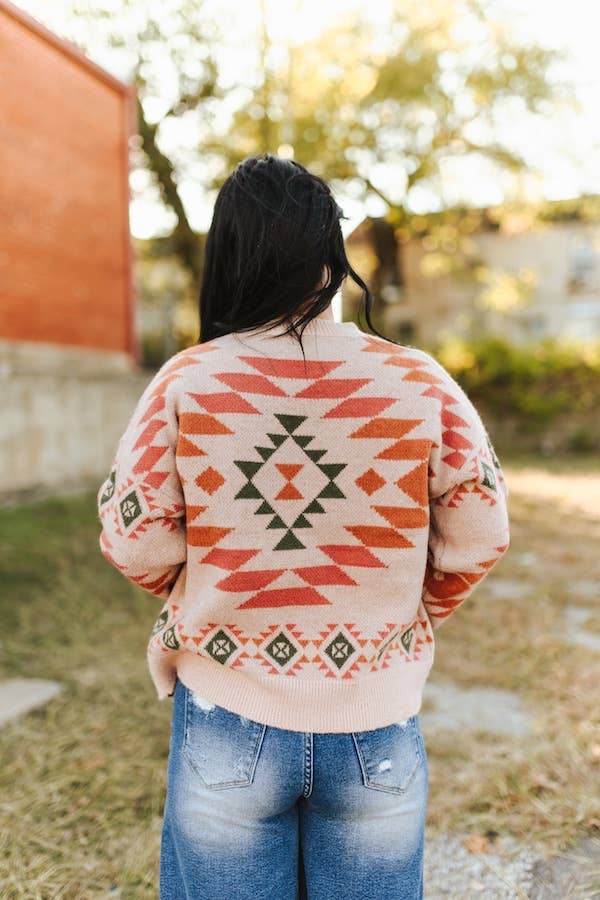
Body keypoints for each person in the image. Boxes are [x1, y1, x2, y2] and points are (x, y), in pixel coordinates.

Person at [97, 153, 510, 899]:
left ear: (230, 255)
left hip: (226, 716)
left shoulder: (188, 381)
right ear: (331, 252)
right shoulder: (420, 382)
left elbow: (136, 538)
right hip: (377, 726)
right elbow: (482, 531)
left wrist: (207, 595)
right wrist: (405, 613)